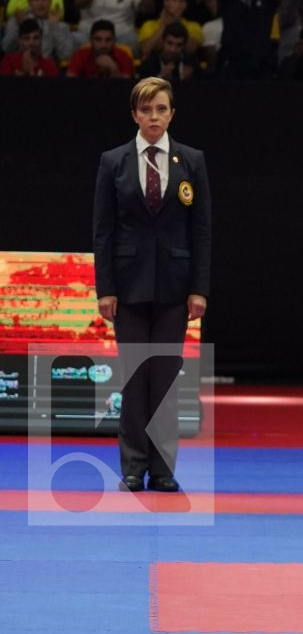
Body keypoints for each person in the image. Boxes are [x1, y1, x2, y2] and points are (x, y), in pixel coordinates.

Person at [92, 77, 211, 494]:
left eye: (161, 109)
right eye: (146, 110)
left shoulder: (191, 161)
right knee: (132, 379)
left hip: (175, 289)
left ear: (172, 113)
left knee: (162, 379)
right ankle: (131, 467)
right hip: (127, 287)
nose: (154, 117)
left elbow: (201, 230)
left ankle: (162, 470)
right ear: (134, 115)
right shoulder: (114, 162)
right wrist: (104, 289)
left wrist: (200, 288)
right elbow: (103, 231)